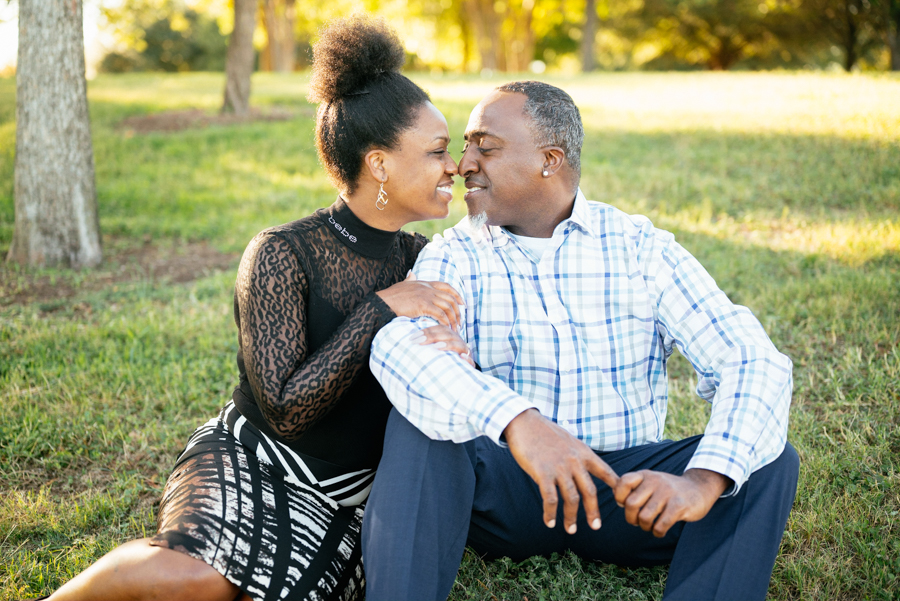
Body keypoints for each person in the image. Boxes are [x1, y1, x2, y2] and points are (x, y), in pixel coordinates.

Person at [40, 16, 471, 601]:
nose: (455, 167)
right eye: (438, 152)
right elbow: (288, 410)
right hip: (255, 457)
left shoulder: (427, 262)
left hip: (346, 498)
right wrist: (378, 310)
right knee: (193, 581)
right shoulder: (281, 253)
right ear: (379, 165)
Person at [361, 81, 800, 601]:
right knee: (420, 422)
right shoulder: (455, 255)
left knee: (767, 457)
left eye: (486, 146)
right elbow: (400, 351)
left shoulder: (641, 248)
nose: (463, 164)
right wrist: (520, 424)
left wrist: (701, 481)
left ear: (550, 159)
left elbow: (752, 360)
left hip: (622, 492)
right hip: (507, 488)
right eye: (464, 147)